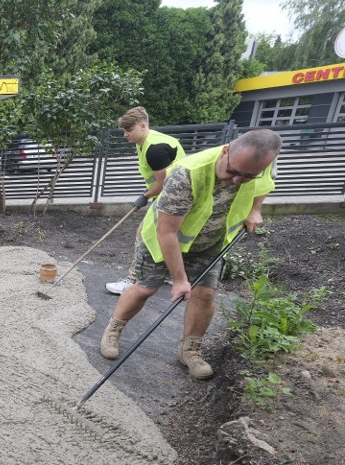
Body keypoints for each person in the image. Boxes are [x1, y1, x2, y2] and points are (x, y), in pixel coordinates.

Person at [99, 129, 281, 380]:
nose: (238, 180)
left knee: (204, 295)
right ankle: (113, 329)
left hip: (209, 243)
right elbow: (167, 232)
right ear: (226, 152)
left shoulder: (259, 169)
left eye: (247, 176)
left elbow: (264, 184)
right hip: (164, 241)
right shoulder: (187, 173)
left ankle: (190, 350)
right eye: (233, 172)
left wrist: (255, 209)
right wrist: (180, 279)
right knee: (146, 288)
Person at [106, 107, 186, 295]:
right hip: (175, 195)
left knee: (144, 234)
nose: (125, 135)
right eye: (124, 131)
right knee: (166, 235)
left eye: (129, 130)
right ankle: (166, 273)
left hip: (173, 197)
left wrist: (145, 196)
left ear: (143, 126)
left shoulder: (155, 149)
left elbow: (163, 182)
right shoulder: (145, 140)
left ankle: (132, 281)